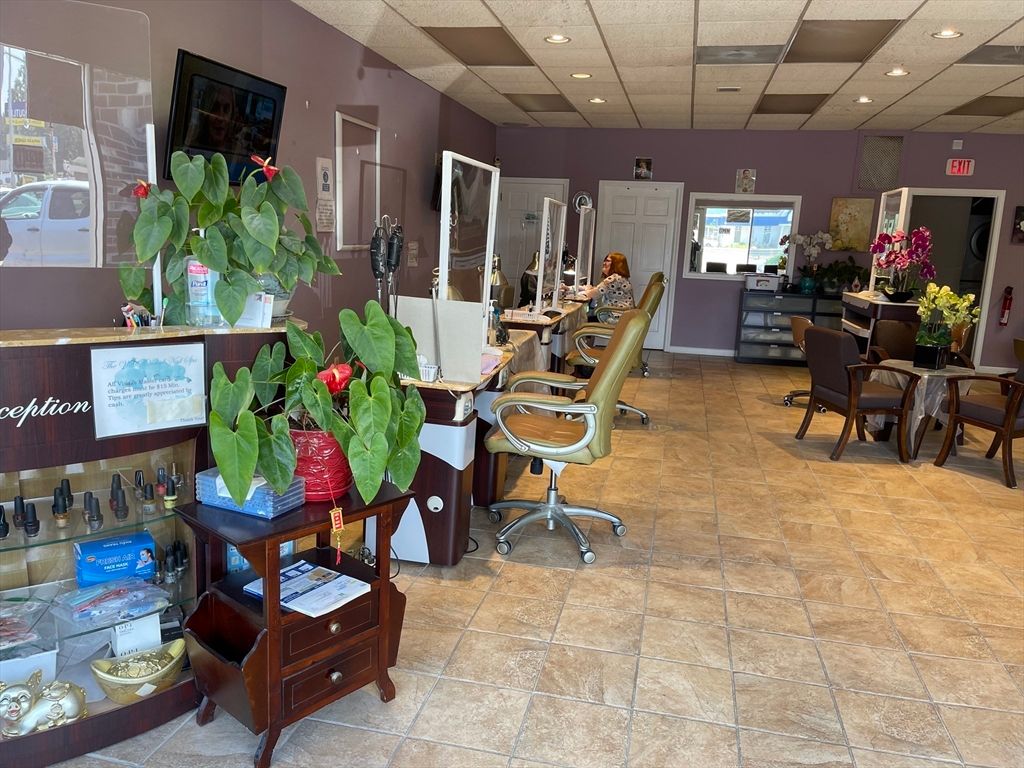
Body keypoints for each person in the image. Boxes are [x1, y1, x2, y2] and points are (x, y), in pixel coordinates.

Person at [578, 252, 634, 322]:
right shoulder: (619, 278)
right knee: (587, 319)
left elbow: (594, 293)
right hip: (622, 317)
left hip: (615, 318)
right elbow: (599, 289)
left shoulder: (614, 279)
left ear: (616, 264)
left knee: (581, 321)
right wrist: (581, 288)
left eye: (607, 261)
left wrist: (577, 293)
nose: (604, 263)